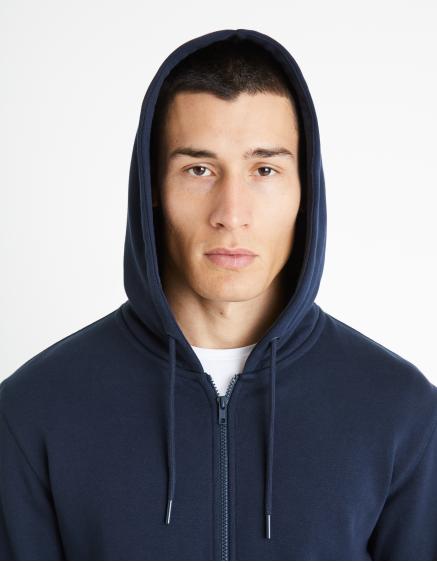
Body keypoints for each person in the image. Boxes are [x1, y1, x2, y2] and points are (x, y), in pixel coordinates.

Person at [1, 28, 436, 561]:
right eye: (199, 169)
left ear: (305, 190)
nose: (231, 213)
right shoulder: (35, 411)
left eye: (265, 169)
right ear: (153, 188)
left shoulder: (401, 412)